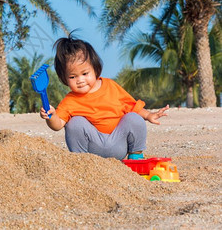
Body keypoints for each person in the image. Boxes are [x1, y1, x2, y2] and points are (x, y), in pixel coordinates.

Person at [40, 34, 169, 160]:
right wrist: (51, 116)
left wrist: (148, 115)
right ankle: (80, 161)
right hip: (91, 149)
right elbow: (57, 125)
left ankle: (135, 156)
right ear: (64, 79)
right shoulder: (70, 100)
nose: (80, 80)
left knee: (133, 118)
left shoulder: (110, 86)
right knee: (74, 123)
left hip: (118, 142)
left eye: (85, 73)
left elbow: (132, 107)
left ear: (95, 69)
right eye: (72, 77)